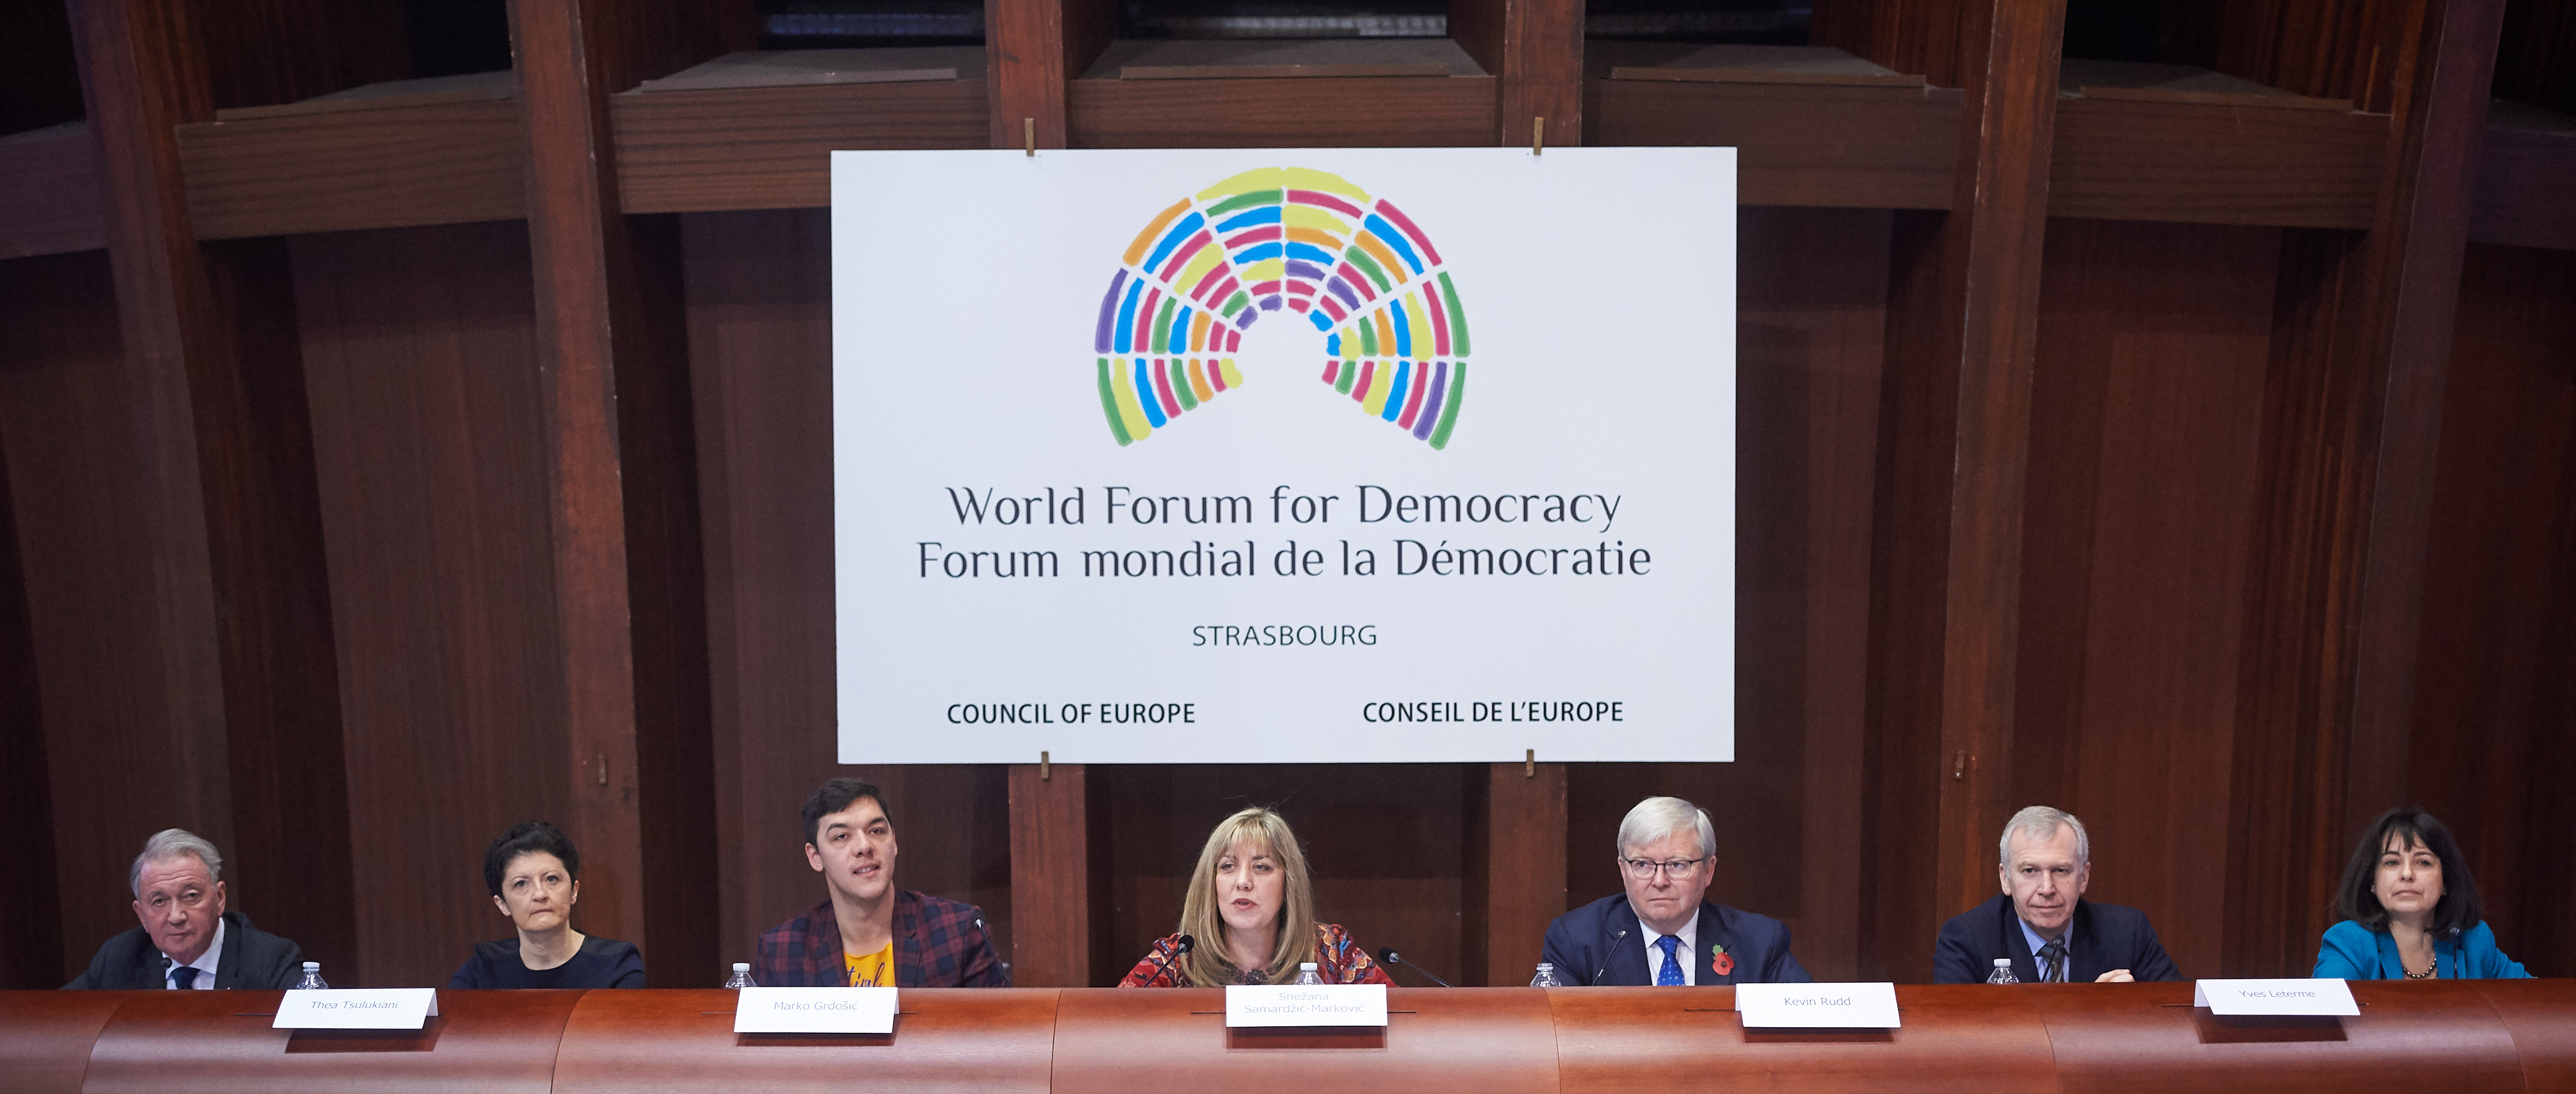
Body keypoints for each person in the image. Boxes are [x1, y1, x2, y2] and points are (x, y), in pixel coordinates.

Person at [753, 778, 1006, 987]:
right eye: (842, 836)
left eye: (876, 831)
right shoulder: (784, 952)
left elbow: (999, 1034)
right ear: (815, 857)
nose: (864, 846)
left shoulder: (956, 932)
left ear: (894, 842)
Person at [1541, 796, 1810, 986]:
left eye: (1677, 865)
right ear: (1623, 870)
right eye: (1643, 865)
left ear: (1708, 870)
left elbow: (1808, 1027)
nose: (1660, 881)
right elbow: (1551, 1038)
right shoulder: (1577, 940)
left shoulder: (1759, 942)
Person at [1119, 806, 1393, 987]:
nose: (1243, 882)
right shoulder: (1177, 960)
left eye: (1261, 867)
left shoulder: (1331, 952)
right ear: (1210, 882)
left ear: (1289, 882)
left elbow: (1400, 1019)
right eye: (1228, 866)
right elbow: (1114, 1024)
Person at [1933, 806, 2179, 983]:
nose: (2047, 888)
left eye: (2061, 871)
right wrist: (2089, 1015)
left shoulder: (2127, 933)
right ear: (2005, 879)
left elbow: (2180, 1014)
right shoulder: (1967, 939)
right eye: (2030, 871)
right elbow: (1953, 1036)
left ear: (2083, 878)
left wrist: (2135, 1008)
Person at [64, 829, 302, 990]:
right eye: (159, 901)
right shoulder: (119, 959)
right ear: (141, 915)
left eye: (191, 897)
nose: (176, 917)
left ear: (220, 898)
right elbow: (55, 1020)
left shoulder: (271, 961)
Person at [2313, 806, 2532, 980]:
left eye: (2423, 862)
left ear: (2447, 881)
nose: (2407, 874)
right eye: (2392, 863)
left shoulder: (2474, 942)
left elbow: (2538, 1004)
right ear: (2372, 881)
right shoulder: (2350, 943)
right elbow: (2323, 1018)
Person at [449, 822, 644, 989]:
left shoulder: (618, 964)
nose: (540, 894)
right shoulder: (482, 970)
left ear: (574, 891)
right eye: (521, 884)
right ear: (502, 904)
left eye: (551, 879)